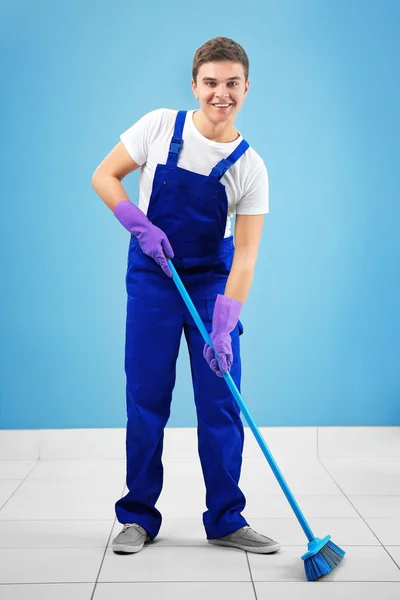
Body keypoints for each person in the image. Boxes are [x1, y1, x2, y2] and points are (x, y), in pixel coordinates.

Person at [92, 36, 280, 556]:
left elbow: (245, 256)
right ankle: (137, 516)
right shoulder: (159, 127)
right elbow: (104, 176)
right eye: (211, 83)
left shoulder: (250, 167)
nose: (222, 93)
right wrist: (137, 223)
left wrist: (223, 324)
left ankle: (226, 518)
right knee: (146, 398)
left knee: (221, 404)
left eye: (232, 84)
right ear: (195, 85)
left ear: (247, 87)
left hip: (209, 285)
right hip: (154, 278)